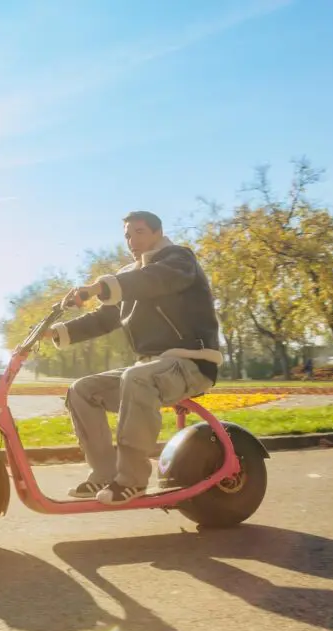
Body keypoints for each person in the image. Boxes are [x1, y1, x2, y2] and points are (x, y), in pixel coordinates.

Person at [48, 210, 223, 505]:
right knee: (82, 390)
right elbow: (103, 319)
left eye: (139, 232)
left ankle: (131, 480)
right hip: (154, 368)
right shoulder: (131, 276)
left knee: (136, 377)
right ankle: (104, 473)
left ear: (157, 233)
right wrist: (55, 333)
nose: (131, 240)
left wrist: (98, 287)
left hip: (191, 362)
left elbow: (154, 280)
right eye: (128, 235)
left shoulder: (179, 261)